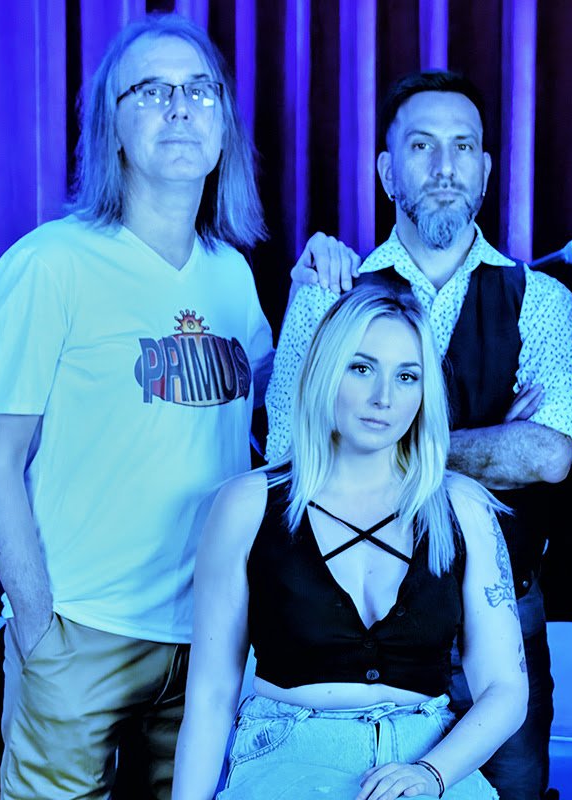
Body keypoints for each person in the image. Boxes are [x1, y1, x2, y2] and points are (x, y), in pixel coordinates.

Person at [0, 14, 355, 799]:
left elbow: (276, 417)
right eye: (150, 91)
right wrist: (39, 625)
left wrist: (311, 296)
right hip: (83, 628)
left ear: (223, 129)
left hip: (207, 633)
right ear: (109, 126)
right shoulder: (50, 265)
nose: (180, 108)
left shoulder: (230, 274)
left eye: (199, 91)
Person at [264, 70, 572, 800]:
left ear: (486, 170)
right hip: (353, 624)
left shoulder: (541, 300)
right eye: (422, 146)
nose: (445, 167)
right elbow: (289, 455)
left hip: (501, 624)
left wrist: (367, 441)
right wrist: (494, 440)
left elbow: (548, 455)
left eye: (463, 147)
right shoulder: (330, 292)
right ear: (388, 172)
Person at [174, 285, 527, 799]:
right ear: (325, 371)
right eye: (362, 368)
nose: (384, 397)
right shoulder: (247, 506)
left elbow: (505, 688)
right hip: (288, 757)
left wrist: (431, 773)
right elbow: (210, 695)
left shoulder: (463, 509)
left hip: (429, 761)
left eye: (407, 377)